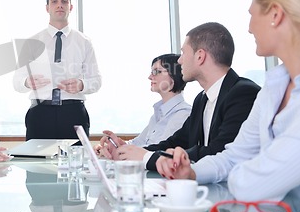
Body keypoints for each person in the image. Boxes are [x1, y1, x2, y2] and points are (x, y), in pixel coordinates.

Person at [156, 0, 300, 201]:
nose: (249, 28)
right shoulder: (274, 87)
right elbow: (235, 156)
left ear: (275, 14)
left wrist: (236, 173)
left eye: (252, 15)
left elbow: (253, 184)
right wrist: (191, 171)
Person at [98, 22, 261, 172]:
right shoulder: (202, 99)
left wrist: (147, 157)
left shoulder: (242, 93)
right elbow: (176, 142)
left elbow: (219, 152)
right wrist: (128, 151)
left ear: (200, 56)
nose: (180, 60)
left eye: (183, 53)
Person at [13, 0, 102, 140]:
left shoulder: (84, 42)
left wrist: (82, 85)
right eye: (54, 1)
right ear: (47, 8)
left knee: (77, 162)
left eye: (64, 1)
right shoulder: (31, 42)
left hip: (73, 113)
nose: (59, 5)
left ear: (71, 7)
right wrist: (27, 82)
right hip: (40, 113)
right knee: (36, 163)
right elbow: (16, 81)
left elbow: (96, 80)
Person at [94, 53, 191, 154]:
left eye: (156, 71)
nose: (150, 77)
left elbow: (160, 150)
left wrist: (121, 150)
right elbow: (138, 143)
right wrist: (116, 144)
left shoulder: (183, 114)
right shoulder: (158, 114)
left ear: (173, 76)